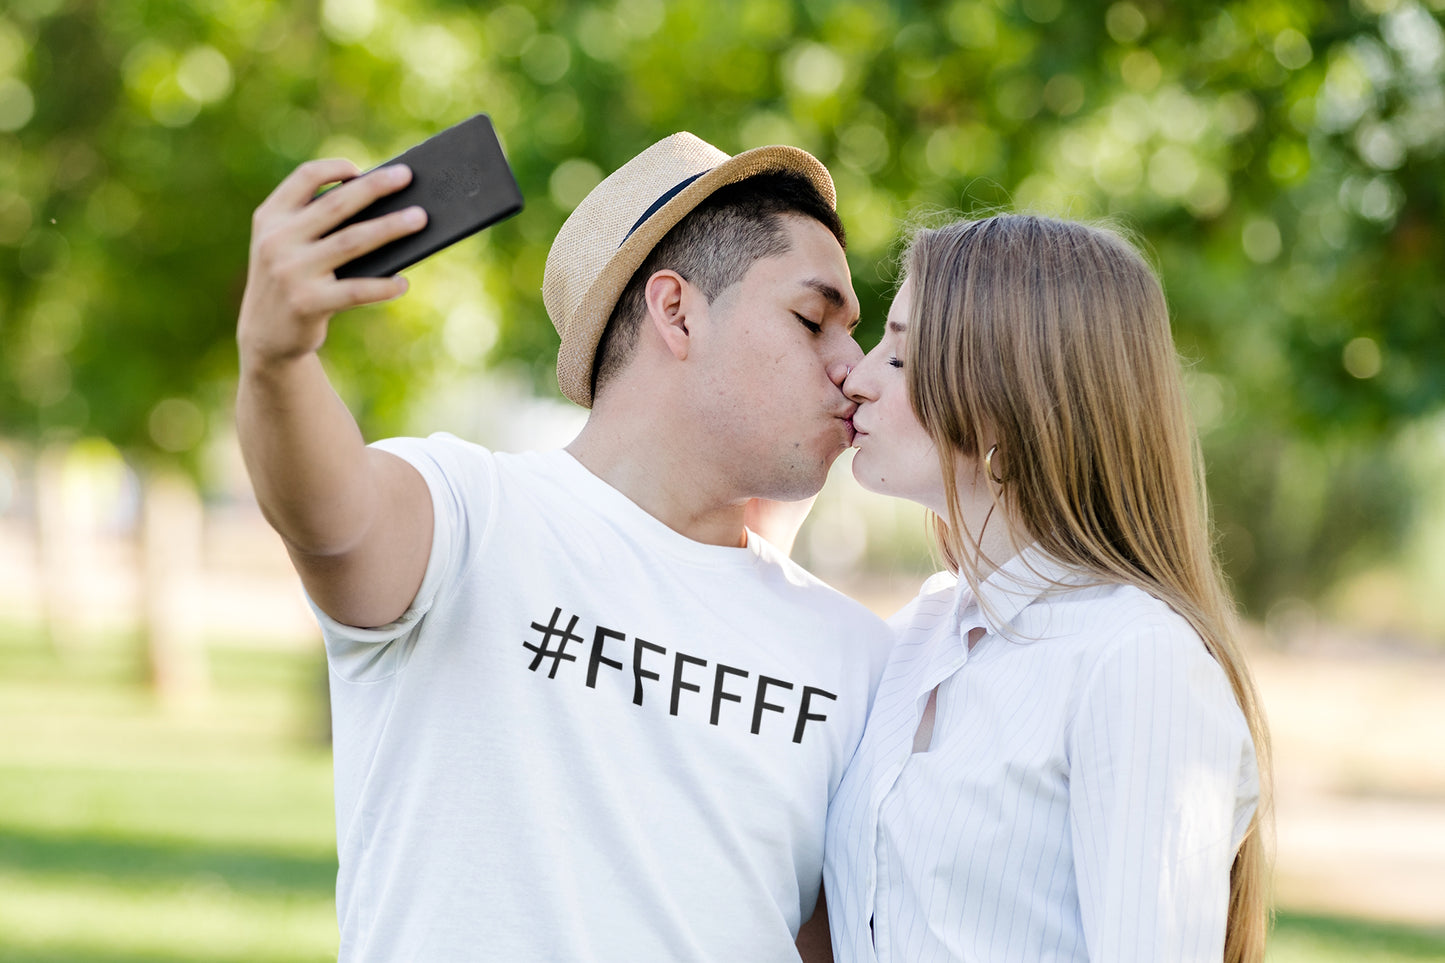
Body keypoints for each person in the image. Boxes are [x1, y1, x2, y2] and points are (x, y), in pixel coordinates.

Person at [235, 131, 892, 961]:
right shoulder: (468, 517)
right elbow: (328, 516)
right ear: (676, 309)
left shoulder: (861, 657)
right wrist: (276, 359)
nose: (855, 367)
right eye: (813, 320)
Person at [822, 214, 1272, 963]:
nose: (857, 377)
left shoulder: (1135, 660)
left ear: (1007, 402)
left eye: (899, 358)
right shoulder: (920, 631)